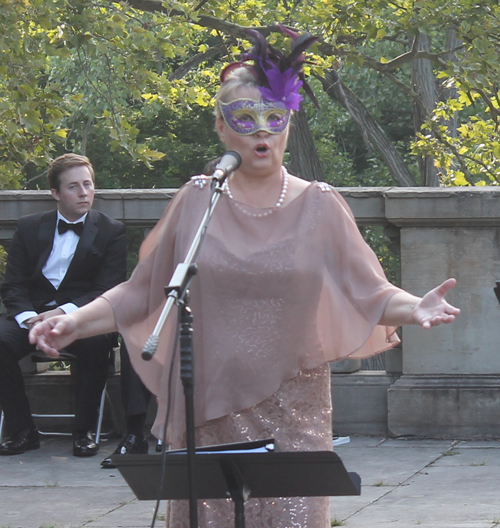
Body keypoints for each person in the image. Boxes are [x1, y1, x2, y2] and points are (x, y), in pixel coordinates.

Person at [30, 27, 460, 527]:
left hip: (292, 412)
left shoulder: (320, 205)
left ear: (288, 123)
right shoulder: (197, 200)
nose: (262, 130)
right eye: (245, 118)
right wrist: (74, 321)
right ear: (220, 126)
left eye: (274, 118)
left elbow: (370, 291)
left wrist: (416, 308)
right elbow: (142, 292)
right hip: (208, 409)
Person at [0, 153, 127, 458]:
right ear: (55, 193)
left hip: (84, 318)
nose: (84, 193)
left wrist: (64, 313)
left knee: (96, 342)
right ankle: (22, 430)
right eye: (74, 187)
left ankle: (83, 432)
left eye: (88, 184)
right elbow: (13, 284)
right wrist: (31, 318)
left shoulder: (112, 231)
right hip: (31, 315)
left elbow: (106, 290)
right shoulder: (29, 227)